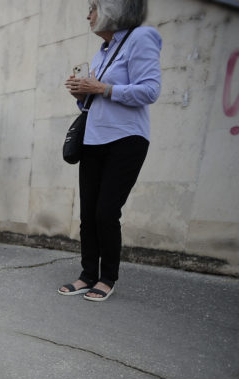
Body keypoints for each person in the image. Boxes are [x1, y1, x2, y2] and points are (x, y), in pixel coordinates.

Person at [59, 0, 161, 301]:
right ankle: (87, 274)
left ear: (111, 11)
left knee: (106, 212)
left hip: (126, 139)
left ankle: (107, 277)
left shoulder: (141, 38)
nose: (88, 15)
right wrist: (81, 93)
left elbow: (150, 90)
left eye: (93, 8)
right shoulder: (100, 53)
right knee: (88, 213)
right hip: (93, 139)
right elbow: (94, 101)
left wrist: (102, 88)